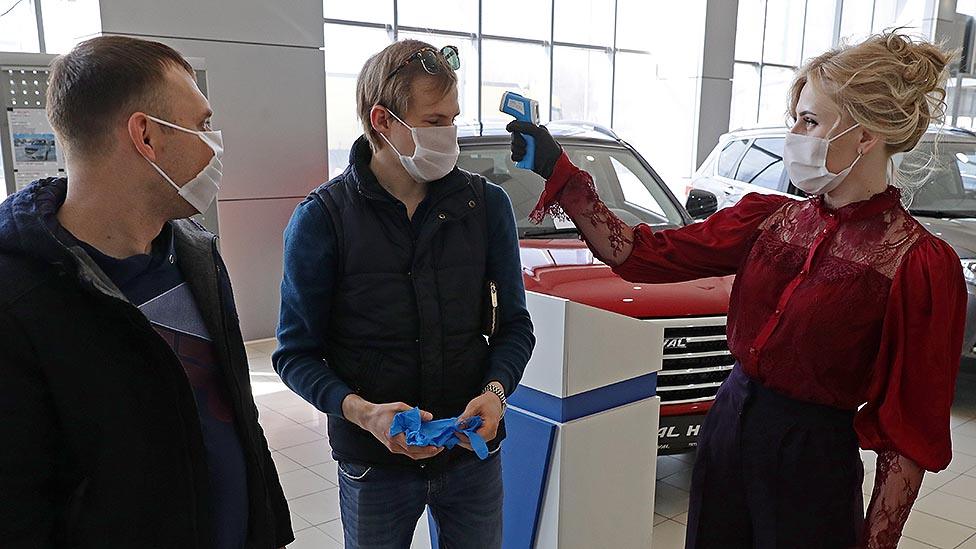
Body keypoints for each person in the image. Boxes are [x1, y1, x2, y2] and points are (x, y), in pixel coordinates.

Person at [508, 32, 966, 548]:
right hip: (729, 423)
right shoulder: (769, 219)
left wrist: (876, 540)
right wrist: (560, 171)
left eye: (810, 120)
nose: (793, 133)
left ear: (867, 135)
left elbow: (909, 433)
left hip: (811, 458)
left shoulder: (917, 263)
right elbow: (637, 253)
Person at [0, 36, 293, 548]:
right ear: (146, 137)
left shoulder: (197, 254)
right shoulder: (18, 299)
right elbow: (19, 509)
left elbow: (236, 418)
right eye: (202, 125)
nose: (214, 143)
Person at [273, 39, 535, 548]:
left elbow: (515, 327)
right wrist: (363, 412)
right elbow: (295, 354)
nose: (450, 134)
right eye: (435, 121)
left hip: (470, 454)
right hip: (373, 462)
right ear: (383, 121)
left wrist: (497, 392)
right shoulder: (323, 220)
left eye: (453, 118)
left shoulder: (485, 208)